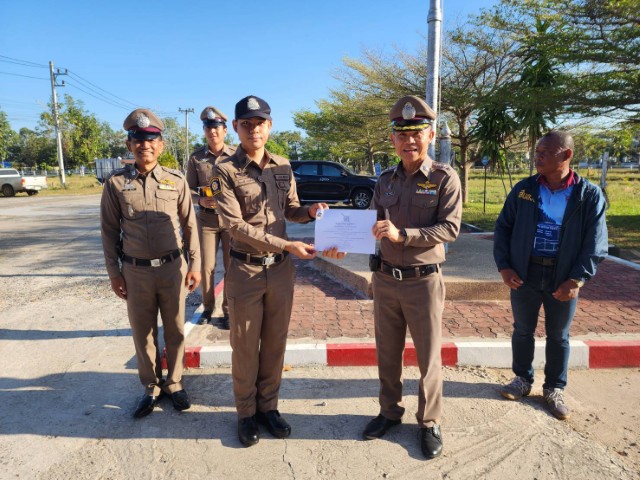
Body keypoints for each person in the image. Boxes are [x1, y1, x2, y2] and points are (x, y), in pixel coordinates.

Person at [212, 95, 333, 447]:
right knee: (245, 346)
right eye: (247, 124)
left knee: (275, 343)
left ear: (270, 126)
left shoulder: (282, 166)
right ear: (236, 128)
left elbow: (290, 209)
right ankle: (246, 413)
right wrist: (287, 245)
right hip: (246, 270)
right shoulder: (225, 170)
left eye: (260, 123)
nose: (254, 130)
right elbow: (235, 227)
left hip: (280, 272)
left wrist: (311, 212)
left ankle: (269, 407)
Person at [363, 95, 462, 459]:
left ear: (430, 135)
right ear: (393, 139)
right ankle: (389, 411)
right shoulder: (385, 180)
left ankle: (429, 421)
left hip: (423, 281)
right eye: (402, 134)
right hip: (386, 280)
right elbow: (371, 223)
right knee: (387, 353)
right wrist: (342, 239)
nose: (409, 141)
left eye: (416, 133)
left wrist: (403, 234)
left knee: (427, 357)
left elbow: (449, 229)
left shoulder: (444, 178)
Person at [494, 130, 608, 420]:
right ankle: (522, 380)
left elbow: (595, 243)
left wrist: (577, 278)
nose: (537, 157)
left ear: (566, 155)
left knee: (558, 335)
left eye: (544, 152)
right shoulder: (525, 190)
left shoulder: (588, 195)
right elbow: (503, 227)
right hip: (525, 273)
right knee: (522, 329)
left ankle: (554, 388)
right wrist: (505, 266)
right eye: (537, 152)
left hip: (563, 276)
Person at [100, 108, 202, 418]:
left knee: (175, 329)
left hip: (172, 269)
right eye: (138, 139)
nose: (145, 145)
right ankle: (151, 386)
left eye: (151, 140)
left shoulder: (176, 180)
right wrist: (114, 273)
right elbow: (109, 231)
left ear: (161, 145)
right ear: (129, 145)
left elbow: (190, 225)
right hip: (135, 272)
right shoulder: (116, 184)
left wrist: (195, 264)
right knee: (143, 332)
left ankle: (175, 383)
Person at [186, 106, 236, 327]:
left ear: (225, 130)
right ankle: (207, 308)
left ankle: (228, 310)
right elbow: (187, 189)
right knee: (206, 267)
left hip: (230, 220)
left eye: (216, 127)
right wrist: (200, 200)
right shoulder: (196, 158)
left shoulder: (236, 156)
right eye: (208, 128)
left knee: (231, 266)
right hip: (206, 220)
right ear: (204, 131)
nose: (212, 131)